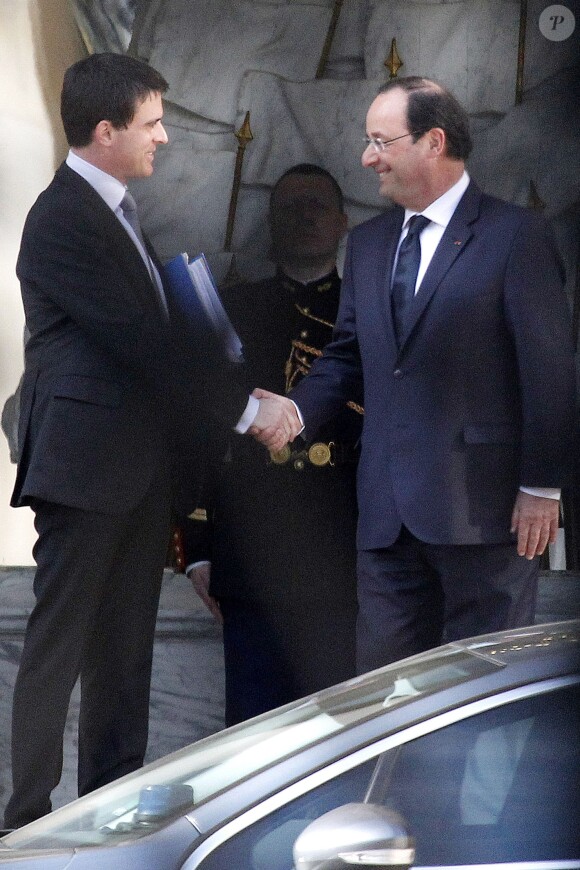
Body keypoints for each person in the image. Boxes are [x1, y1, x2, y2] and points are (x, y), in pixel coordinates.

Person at [5, 52, 298, 829]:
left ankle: (110, 808)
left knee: (125, 654)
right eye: (152, 123)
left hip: (137, 472)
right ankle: (25, 816)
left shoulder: (117, 210)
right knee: (59, 647)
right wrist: (243, 409)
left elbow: (165, 335)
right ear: (105, 132)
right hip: (85, 471)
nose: (164, 138)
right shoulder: (64, 215)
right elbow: (142, 340)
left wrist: (248, 391)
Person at [278, 77, 576, 674]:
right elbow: (347, 355)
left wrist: (542, 487)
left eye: (380, 141)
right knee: (383, 697)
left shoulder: (516, 236)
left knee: (480, 695)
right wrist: (295, 412)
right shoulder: (367, 243)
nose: (367, 158)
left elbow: (548, 368)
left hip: (487, 514)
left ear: (433, 141)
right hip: (387, 515)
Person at [181, 164, 362, 725]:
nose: (306, 218)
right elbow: (197, 432)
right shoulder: (230, 310)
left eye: (318, 206)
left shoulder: (369, 307)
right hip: (252, 550)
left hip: (350, 554)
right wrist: (199, 547)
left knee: (343, 733)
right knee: (253, 739)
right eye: (291, 208)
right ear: (271, 225)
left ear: (342, 222)